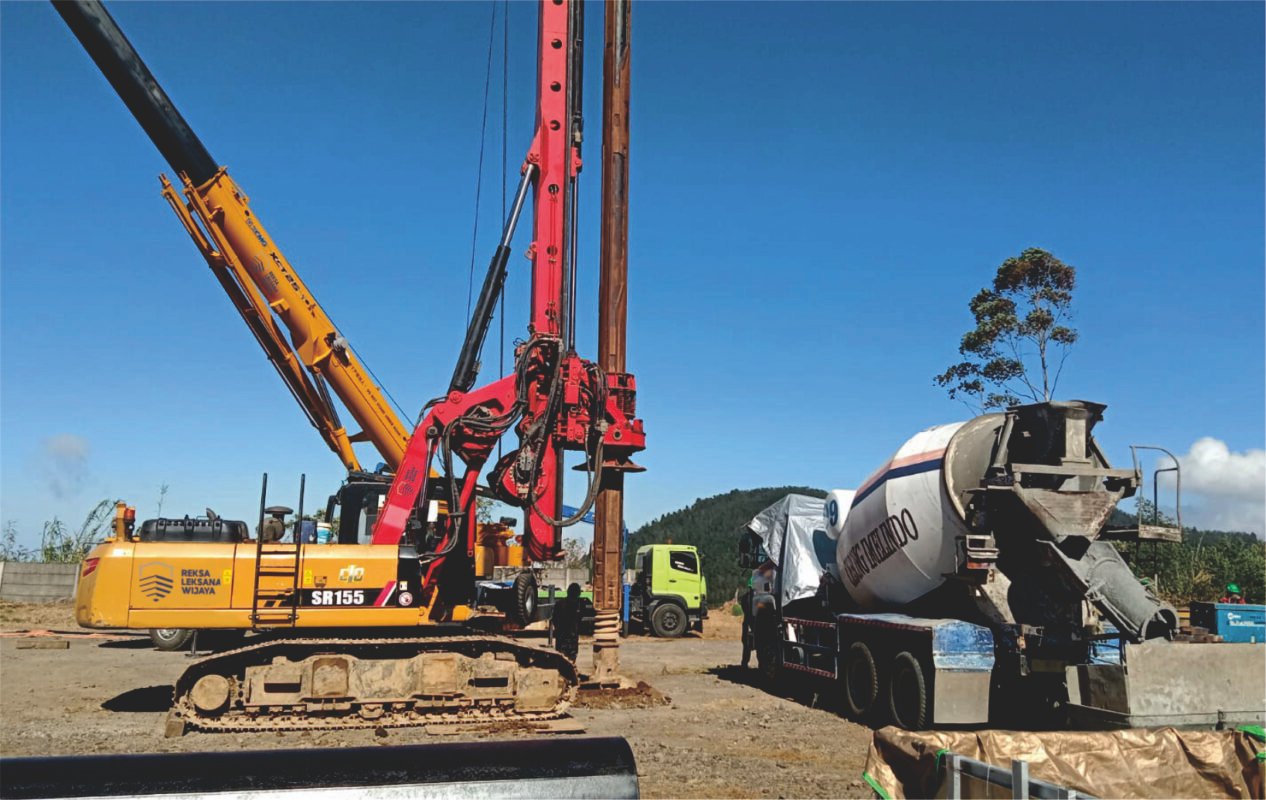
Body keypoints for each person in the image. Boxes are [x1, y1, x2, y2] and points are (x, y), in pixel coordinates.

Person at [551, 583, 583, 662]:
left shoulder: (559, 603)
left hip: (561, 635)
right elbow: (579, 619)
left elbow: (554, 618)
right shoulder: (578, 605)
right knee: (571, 657)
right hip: (572, 636)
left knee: (561, 657)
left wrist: (557, 629)